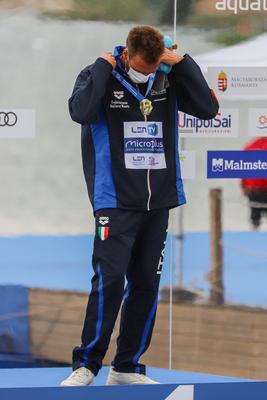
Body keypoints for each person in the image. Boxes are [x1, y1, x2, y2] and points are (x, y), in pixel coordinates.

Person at [60, 25, 219, 387]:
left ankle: (127, 366)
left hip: (158, 200)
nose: (147, 75)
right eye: (142, 68)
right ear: (128, 54)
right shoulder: (98, 74)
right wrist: (103, 67)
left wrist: (184, 64)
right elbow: (80, 112)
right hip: (114, 200)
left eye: (154, 68)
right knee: (110, 280)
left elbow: (208, 109)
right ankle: (86, 364)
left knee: (146, 283)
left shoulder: (168, 77)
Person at [241, 137, 267, 230]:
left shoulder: (250, 146)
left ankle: (254, 235)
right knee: (255, 216)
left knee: (255, 218)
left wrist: (243, 187)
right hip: (261, 187)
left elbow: (242, 169)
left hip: (252, 188)